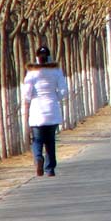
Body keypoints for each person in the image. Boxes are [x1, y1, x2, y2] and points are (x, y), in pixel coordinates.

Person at [22, 45, 69, 176]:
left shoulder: (31, 73)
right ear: (49, 57)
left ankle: (38, 158)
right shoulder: (56, 71)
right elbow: (64, 91)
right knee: (50, 140)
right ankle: (50, 169)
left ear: (37, 58)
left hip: (37, 111)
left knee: (37, 139)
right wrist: (55, 98)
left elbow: (27, 93)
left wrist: (32, 99)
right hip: (52, 110)